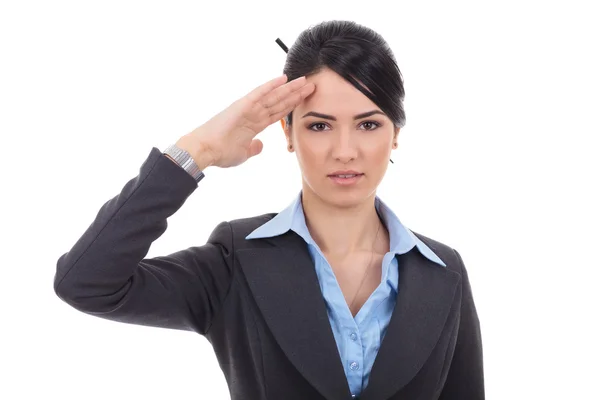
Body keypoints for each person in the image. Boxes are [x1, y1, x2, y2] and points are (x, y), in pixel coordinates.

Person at [54, 20, 484, 400]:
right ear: (289, 132)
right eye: (319, 125)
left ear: (395, 135)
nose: (345, 151)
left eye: (368, 124)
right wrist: (197, 151)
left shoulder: (443, 272)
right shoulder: (235, 261)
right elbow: (86, 282)